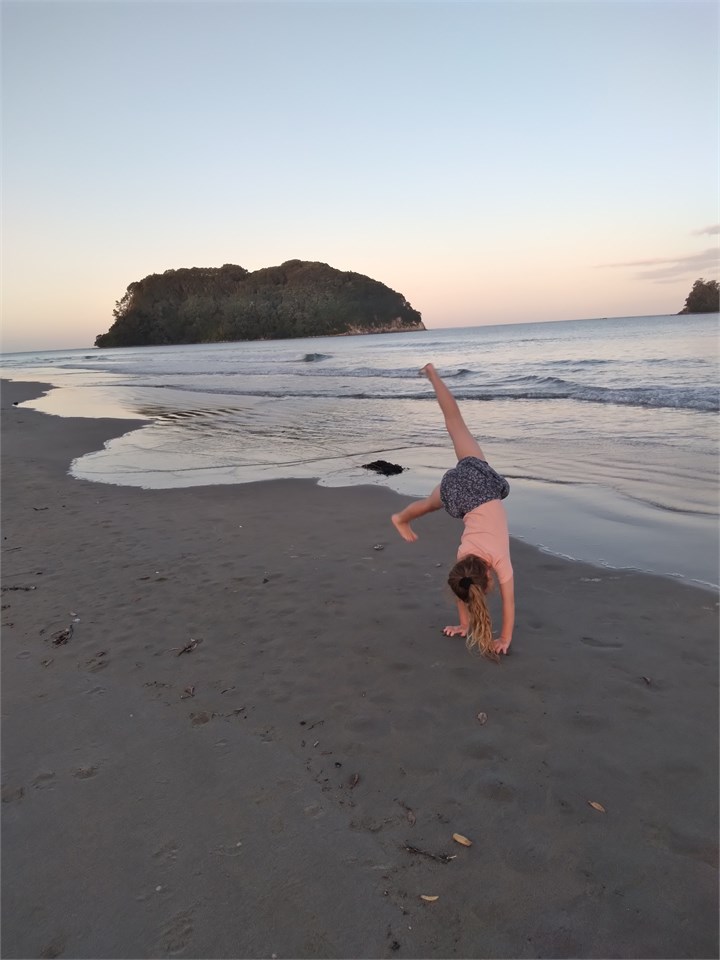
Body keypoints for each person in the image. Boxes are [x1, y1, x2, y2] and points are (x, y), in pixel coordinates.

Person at [391, 363, 514, 661]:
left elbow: (506, 602)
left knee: (454, 422)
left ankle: (402, 518)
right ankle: (402, 518)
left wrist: (503, 637)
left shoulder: (497, 559)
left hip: (477, 484)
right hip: (459, 493)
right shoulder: (462, 557)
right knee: (454, 423)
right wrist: (476, 627)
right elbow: (461, 584)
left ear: (488, 575)